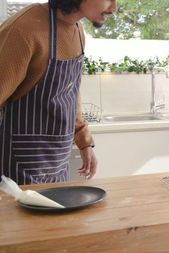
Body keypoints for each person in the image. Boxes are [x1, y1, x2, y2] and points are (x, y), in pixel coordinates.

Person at [0, 0, 116, 185]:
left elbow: (71, 91)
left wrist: (84, 141)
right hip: (19, 164)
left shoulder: (78, 30)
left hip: (58, 161)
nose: (113, 8)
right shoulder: (23, 29)